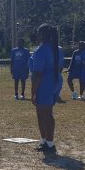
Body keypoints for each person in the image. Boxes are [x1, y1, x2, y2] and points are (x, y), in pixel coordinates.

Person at [30, 24, 60, 152]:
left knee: (45, 114)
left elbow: (38, 73)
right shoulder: (55, 49)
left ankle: (49, 143)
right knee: (44, 113)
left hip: (43, 84)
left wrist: (33, 91)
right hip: (53, 82)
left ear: (43, 34)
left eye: (38, 32)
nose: (37, 34)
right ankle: (44, 141)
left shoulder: (42, 50)